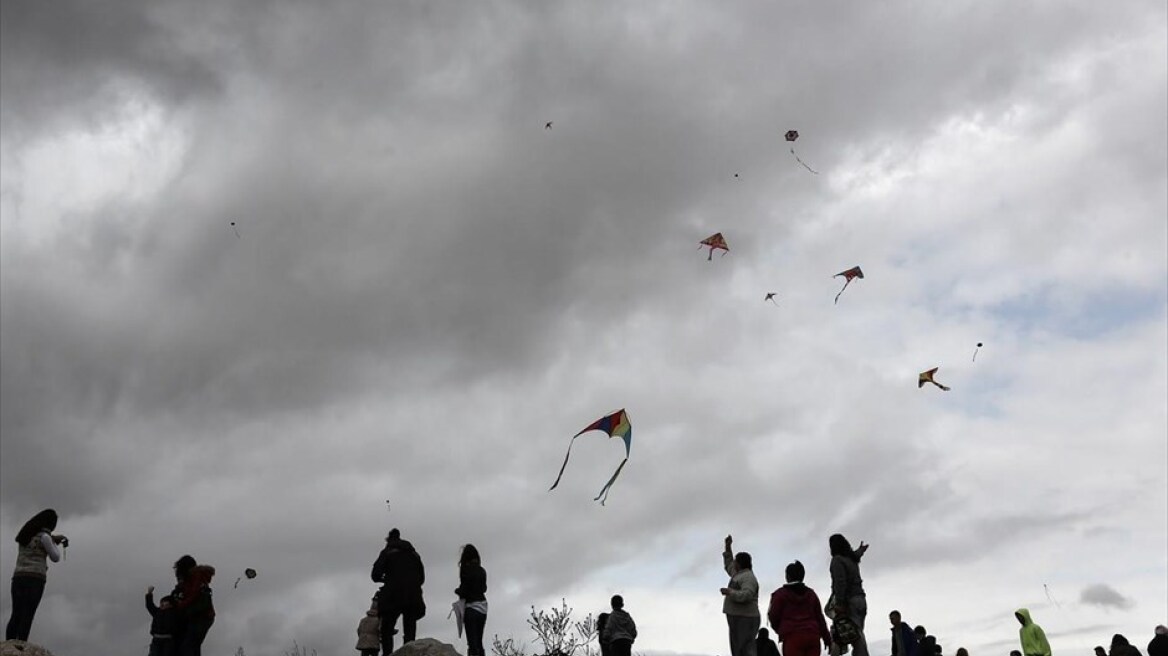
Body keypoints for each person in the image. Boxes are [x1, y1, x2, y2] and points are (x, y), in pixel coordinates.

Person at [5, 508, 67, 641]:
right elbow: (55, 557)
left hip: (18, 577)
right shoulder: (45, 537)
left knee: (16, 613)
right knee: (28, 614)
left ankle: (9, 644)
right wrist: (53, 542)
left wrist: (51, 538)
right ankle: (21, 645)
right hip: (35, 579)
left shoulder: (24, 535)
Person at [372, 528, 426, 655]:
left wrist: (386, 579)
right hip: (413, 595)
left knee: (387, 629)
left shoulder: (387, 552)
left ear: (389, 539)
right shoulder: (414, 554)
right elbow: (422, 577)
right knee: (410, 629)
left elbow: (375, 575)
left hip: (392, 594)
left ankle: (388, 654)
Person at [766, 560, 830, 656]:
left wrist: (780, 629)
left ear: (787, 576)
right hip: (813, 636)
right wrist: (827, 639)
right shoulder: (811, 594)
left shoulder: (780, 594)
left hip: (792, 636)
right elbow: (820, 618)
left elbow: (773, 616)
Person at [829, 534, 869, 656]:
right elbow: (856, 555)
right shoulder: (851, 558)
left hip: (849, 601)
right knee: (856, 633)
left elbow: (840, 582)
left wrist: (840, 603)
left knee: (844, 633)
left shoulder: (837, 560)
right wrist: (861, 550)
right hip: (861, 600)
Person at [722, 535, 761, 656]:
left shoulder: (748, 577)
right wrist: (728, 547)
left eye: (736, 561)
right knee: (738, 650)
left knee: (746, 650)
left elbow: (747, 594)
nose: (733, 563)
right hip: (737, 618)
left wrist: (730, 592)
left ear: (740, 563)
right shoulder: (738, 574)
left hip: (746, 618)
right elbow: (728, 565)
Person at [176, 564, 216, 656]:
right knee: (194, 645)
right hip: (203, 616)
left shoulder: (195, 577)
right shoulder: (199, 577)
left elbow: (193, 595)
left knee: (187, 646)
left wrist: (181, 605)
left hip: (201, 616)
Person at [456, 544, 488, 656]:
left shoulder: (466, 570)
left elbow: (464, 590)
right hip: (483, 607)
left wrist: (458, 591)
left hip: (471, 608)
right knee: (479, 642)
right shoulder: (482, 571)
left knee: (472, 644)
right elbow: (484, 588)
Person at [146, 586, 180, 656]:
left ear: (170, 605)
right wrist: (149, 594)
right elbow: (150, 605)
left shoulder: (174, 613)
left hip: (168, 640)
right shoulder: (157, 612)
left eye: (165, 603)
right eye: (161, 603)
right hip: (156, 638)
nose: (162, 605)